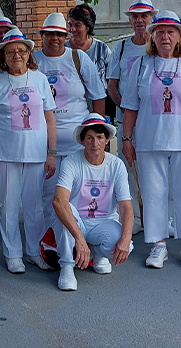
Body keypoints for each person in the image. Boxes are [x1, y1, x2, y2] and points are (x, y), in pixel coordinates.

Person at [120, 11, 181, 271]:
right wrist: (127, 140)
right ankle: (158, 245)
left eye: (170, 32)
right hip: (150, 140)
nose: (165, 36)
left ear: (178, 37)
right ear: (152, 36)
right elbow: (130, 107)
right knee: (153, 194)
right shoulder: (141, 65)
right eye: (159, 31)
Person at [0, 28, 57, 274]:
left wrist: (51, 152)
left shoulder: (40, 79)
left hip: (36, 154)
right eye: (11, 51)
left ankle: (35, 251)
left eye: (21, 51)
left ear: (28, 54)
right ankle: (13, 254)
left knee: (35, 207)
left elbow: (49, 119)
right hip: (6, 155)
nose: (17, 55)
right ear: (3, 56)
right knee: (9, 205)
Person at [33, 12, 107, 228]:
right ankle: (52, 242)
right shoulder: (34, 61)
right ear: (43, 36)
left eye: (58, 34)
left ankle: (83, 239)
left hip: (78, 142)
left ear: (65, 36)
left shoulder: (78, 58)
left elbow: (98, 96)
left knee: (81, 193)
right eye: (49, 34)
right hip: (45, 145)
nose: (54, 38)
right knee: (49, 196)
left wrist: (99, 134)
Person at [53, 114, 134, 291]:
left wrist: (126, 239)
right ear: (82, 141)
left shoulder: (116, 165)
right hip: (78, 222)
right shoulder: (71, 161)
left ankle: (97, 256)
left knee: (126, 243)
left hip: (103, 223)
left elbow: (126, 206)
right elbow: (59, 201)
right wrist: (80, 239)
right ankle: (67, 266)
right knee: (63, 210)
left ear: (107, 140)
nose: (94, 143)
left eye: (99, 138)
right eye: (89, 138)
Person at [107, 0, 157, 234]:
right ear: (130, 20)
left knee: (157, 169)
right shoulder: (122, 48)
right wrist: (128, 110)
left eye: (144, 16)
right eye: (135, 16)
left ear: (152, 18)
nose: (139, 21)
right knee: (129, 168)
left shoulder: (160, 45)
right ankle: (136, 219)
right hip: (127, 120)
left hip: (155, 120)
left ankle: (159, 218)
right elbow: (112, 86)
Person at [66, 3, 111, 92]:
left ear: (88, 27)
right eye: (70, 25)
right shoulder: (63, 50)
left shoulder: (102, 50)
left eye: (77, 25)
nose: (73, 29)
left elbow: (112, 81)